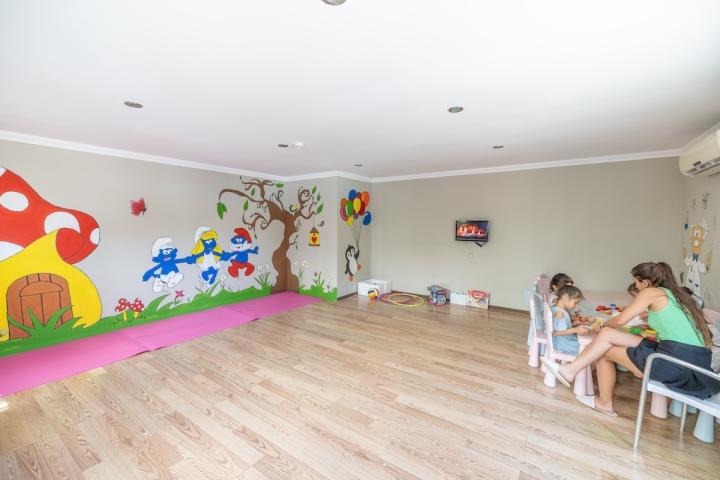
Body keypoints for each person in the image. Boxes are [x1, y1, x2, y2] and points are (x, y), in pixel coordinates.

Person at [542, 262, 719, 417]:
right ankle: (570, 370)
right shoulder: (673, 295)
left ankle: (604, 403)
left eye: (636, 282)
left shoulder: (651, 292)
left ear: (645, 282)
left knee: (603, 352)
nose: (635, 286)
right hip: (688, 359)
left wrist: (602, 324)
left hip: (679, 364)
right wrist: (607, 328)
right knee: (607, 334)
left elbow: (620, 320)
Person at [551, 285, 593, 355]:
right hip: (564, 345)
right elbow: (556, 332)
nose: (575, 305)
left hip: (565, 341)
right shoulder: (560, 313)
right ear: (566, 298)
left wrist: (573, 324)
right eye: (575, 303)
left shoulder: (558, 310)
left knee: (591, 345)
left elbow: (561, 327)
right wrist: (576, 330)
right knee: (591, 349)